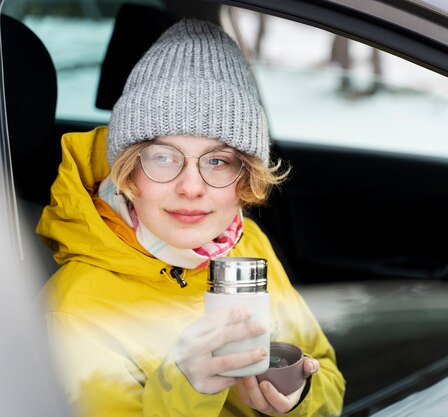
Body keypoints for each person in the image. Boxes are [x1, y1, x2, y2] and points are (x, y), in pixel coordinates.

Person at [36, 18, 345, 417]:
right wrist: (187, 386)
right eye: (163, 158)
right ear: (127, 171)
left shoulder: (247, 244)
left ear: (246, 177)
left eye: (218, 161)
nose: (191, 187)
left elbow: (328, 378)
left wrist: (297, 399)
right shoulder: (76, 309)